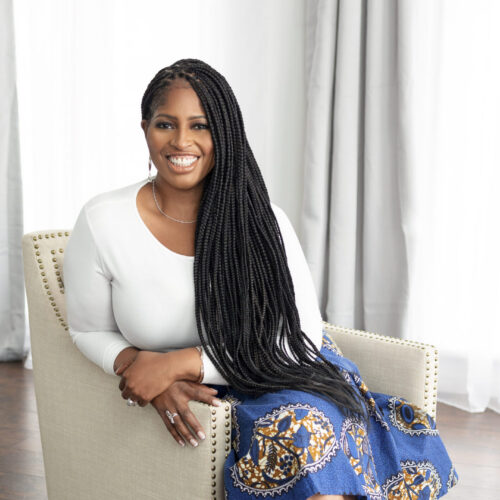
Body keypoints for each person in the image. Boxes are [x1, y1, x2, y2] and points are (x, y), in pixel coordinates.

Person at [63, 58, 457, 500]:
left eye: (201, 126)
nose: (181, 141)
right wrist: (145, 373)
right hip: (214, 393)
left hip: (281, 370)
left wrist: (177, 363)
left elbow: (299, 338)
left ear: (225, 134)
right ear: (144, 129)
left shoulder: (264, 220)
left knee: (306, 433)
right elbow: (88, 327)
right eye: (165, 124)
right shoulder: (103, 222)